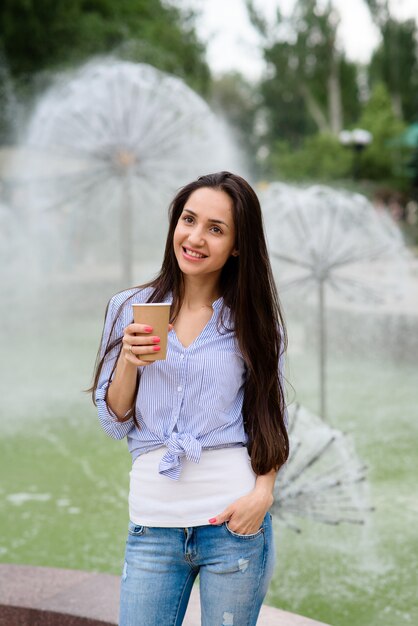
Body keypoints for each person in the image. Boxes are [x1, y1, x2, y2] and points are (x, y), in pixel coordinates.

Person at [91, 171, 289, 626]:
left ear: (237, 245)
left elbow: (268, 416)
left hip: (234, 525)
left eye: (215, 229)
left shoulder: (253, 322)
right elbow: (114, 421)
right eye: (188, 220)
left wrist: (263, 494)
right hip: (152, 525)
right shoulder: (131, 307)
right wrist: (128, 361)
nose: (195, 237)